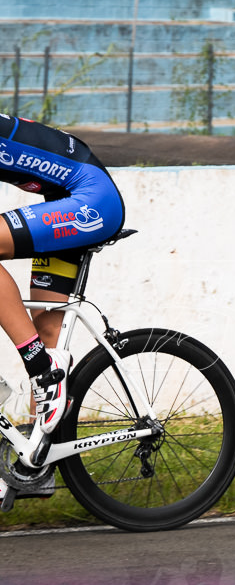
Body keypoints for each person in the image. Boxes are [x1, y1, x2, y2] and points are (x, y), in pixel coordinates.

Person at [0, 114, 125, 500]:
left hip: (91, 202)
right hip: (64, 200)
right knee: (47, 330)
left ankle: (43, 371)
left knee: (43, 354)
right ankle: (36, 465)